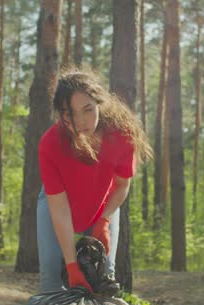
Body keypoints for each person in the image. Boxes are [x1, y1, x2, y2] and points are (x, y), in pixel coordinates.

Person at [37, 69, 153, 293]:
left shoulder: (122, 133)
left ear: (99, 102)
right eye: (69, 114)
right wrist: (71, 265)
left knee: (104, 271)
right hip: (58, 205)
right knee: (51, 275)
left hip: (105, 205)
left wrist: (104, 220)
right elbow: (59, 208)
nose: (80, 121)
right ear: (60, 114)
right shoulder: (50, 144)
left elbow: (122, 185)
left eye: (87, 110)